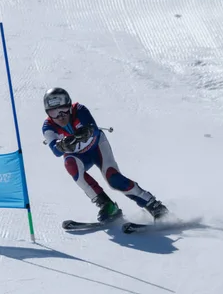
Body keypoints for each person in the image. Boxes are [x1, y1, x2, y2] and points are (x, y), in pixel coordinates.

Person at [42, 87, 169, 222]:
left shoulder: (79, 109)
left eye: (63, 109)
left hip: (97, 147)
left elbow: (94, 130)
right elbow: (55, 151)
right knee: (70, 165)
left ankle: (153, 205)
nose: (60, 116)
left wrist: (86, 132)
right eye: (54, 112)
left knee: (113, 179)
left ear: (70, 106)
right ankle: (107, 205)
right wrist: (62, 144)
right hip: (78, 156)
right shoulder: (47, 126)